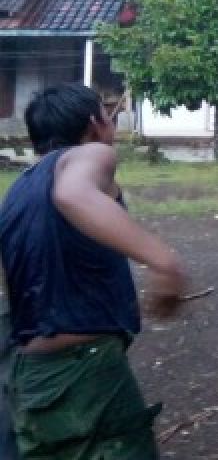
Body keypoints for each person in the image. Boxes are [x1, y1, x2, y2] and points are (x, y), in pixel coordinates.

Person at [0, 84, 187, 459]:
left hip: (32, 377)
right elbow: (74, 193)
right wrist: (165, 263)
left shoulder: (17, 191)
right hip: (83, 373)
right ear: (94, 123)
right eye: (107, 114)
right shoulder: (90, 155)